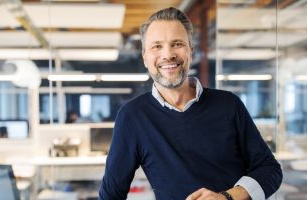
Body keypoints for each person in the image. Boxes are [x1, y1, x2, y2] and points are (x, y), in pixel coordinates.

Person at [99, 7, 282, 200]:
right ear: (145, 57)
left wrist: (227, 197)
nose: (168, 54)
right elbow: (111, 195)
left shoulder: (228, 105)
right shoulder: (133, 116)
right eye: (156, 46)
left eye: (177, 43)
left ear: (190, 51)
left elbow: (270, 170)